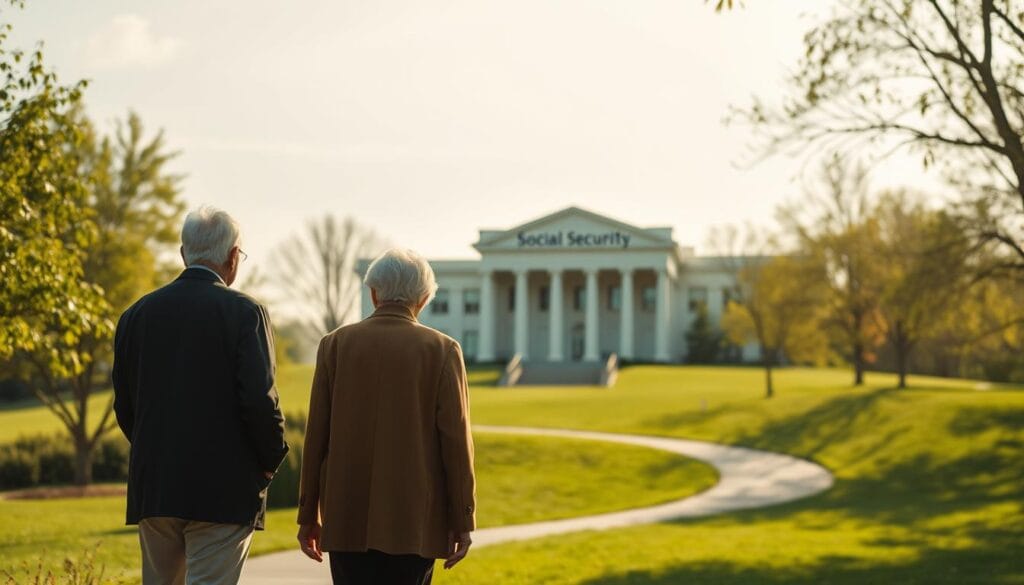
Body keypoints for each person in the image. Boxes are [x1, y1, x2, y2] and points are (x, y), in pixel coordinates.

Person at [112, 206, 289, 585]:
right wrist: (270, 461)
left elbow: (126, 407)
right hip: (224, 491)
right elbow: (260, 401)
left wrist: (156, 449)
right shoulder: (246, 314)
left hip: (156, 487)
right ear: (231, 258)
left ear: (182, 254)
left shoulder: (135, 316)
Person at [296, 248, 476, 585]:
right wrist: (462, 518)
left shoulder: (335, 345)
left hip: (347, 516)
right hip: (414, 522)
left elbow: (316, 437)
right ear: (422, 299)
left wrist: (308, 515)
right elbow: (456, 443)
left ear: (374, 293)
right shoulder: (442, 350)